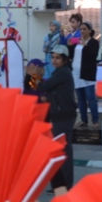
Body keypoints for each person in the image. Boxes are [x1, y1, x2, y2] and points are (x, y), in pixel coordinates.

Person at [39, 45, 77, 188]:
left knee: (63, 151)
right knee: (61, 151)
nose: (54, 60)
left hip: (63, 116)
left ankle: (64, 185)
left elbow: (43, 87)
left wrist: (34, 77)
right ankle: (62, 185)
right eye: (53, 57)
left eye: (58, 58)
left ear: (65, 60)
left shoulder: (62, 73)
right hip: (61, 115)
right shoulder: (60, 73)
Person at [74, 22, 100, 129]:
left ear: (89, 30)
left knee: (90, 98)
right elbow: (71, 51)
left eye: (84, 29)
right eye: (80, 29)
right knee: (80, 99)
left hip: (87, 73)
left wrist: (85, 45)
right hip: (76, 73)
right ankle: (83, 120)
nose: (82, 31)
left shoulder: (94, 42)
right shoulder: (77, 41)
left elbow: (93, 55)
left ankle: (95, 120)